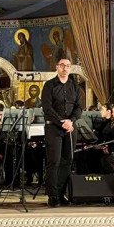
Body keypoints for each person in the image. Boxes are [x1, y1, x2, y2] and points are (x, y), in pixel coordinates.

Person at [41, 58, 82, 207]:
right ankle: (52, 196)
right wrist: (61, 122)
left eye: (68, 66)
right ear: (57, 67)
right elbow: (47, 108)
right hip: (54, 128)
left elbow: (79, 107)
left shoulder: (75, 87)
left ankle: (60, 193)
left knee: (67, 162)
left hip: (70, 128)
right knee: (54, 162)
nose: (65, 68)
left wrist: (71, 121)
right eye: (62, 65)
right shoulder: (49, 85)